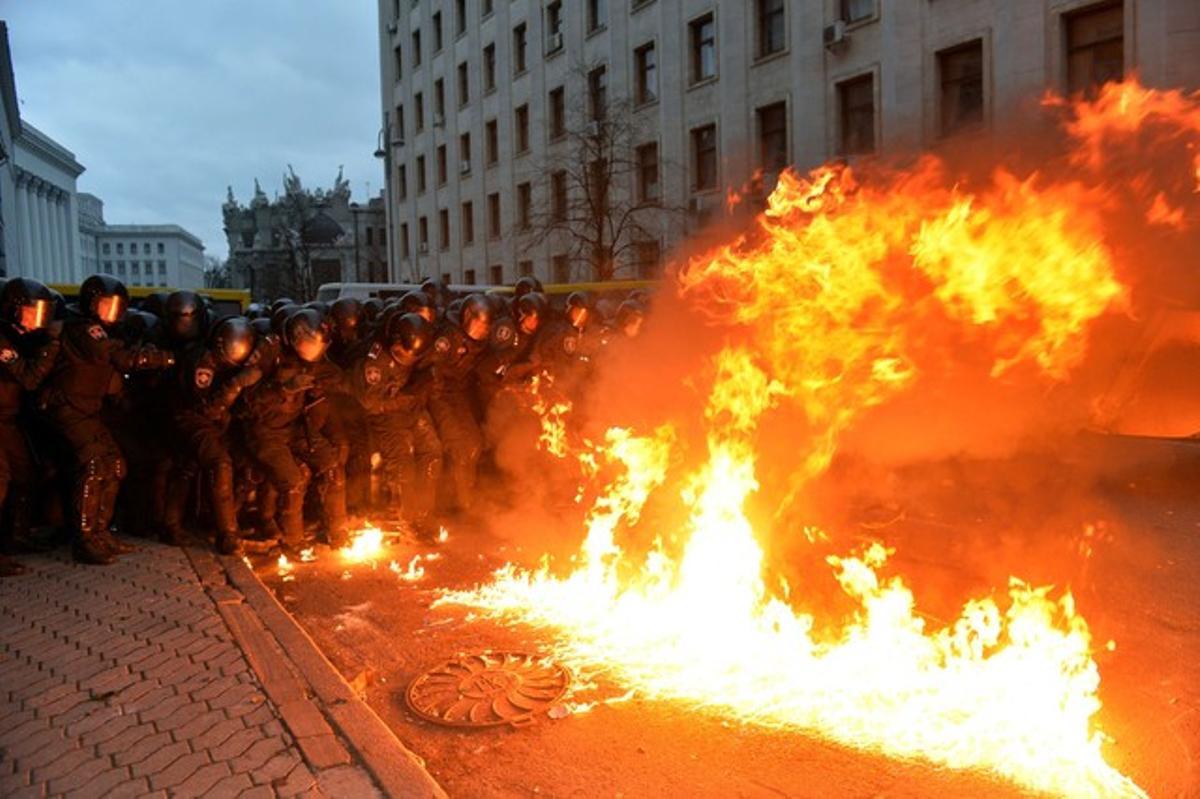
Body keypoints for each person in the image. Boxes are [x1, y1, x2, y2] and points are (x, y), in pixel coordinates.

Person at [38, 275, 175, 565]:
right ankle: (85, 540)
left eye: (115, 308)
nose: (110, 313)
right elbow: (119, 357)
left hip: (87, 410)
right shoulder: (84, 329)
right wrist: (163, 359)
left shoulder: (101, 330)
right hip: (69, 408)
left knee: (115, 465)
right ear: (90, 303)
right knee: (93, 465)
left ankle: (100, 533)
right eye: (105, 306)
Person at [237, 309, 348, 551]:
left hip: (296, 427)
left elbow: (337, 376)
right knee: (293, 481)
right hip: (264, 430)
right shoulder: (269, 351)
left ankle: (338, 531)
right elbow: (248, 400)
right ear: (296, 337)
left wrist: (320, 386)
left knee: (332, 466)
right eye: (307, 346)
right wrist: (285, 389)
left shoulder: (312, 358)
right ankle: (293, 541)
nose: (311, 354)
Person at [162, 317, 260, 554]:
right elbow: (206, 409)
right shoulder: (203, 363)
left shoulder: (226, 363)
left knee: (190, 467)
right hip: (190, 419)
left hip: (210, 422)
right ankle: (228, 535)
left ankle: (174, 525)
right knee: (220, 463)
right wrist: (236, 385)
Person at [350, 312, 442, 534]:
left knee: (433, 453)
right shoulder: (376, 361)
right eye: (402, 354)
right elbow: (369, 403)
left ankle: (423, 513)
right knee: (402, 465)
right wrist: (401, 400)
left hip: (411, 408)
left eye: (412, 356)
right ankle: (404, 517)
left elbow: (430, 367)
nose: (406, 359)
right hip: (384, 415)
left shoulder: (421, 345)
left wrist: (425, 381)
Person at [0, 278, 60, 576]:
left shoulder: (20, 339)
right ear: (12, 309)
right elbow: (28, 378)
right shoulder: (3, 341)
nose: (36, 319)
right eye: (30, 312)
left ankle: (16, 537)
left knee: (25, 475)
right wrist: (50, 349)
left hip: (9, 420)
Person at [427, 293, 492, 512]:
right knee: (456, 446)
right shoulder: (448, 337)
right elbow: (430, 368)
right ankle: (455, 502)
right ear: (467, 317)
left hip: (457, 395)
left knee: (474, 443)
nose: (481, 331)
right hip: (437, 394)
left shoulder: (480, 344)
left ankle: (467, 496)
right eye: (478, 324)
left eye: (485, 327)